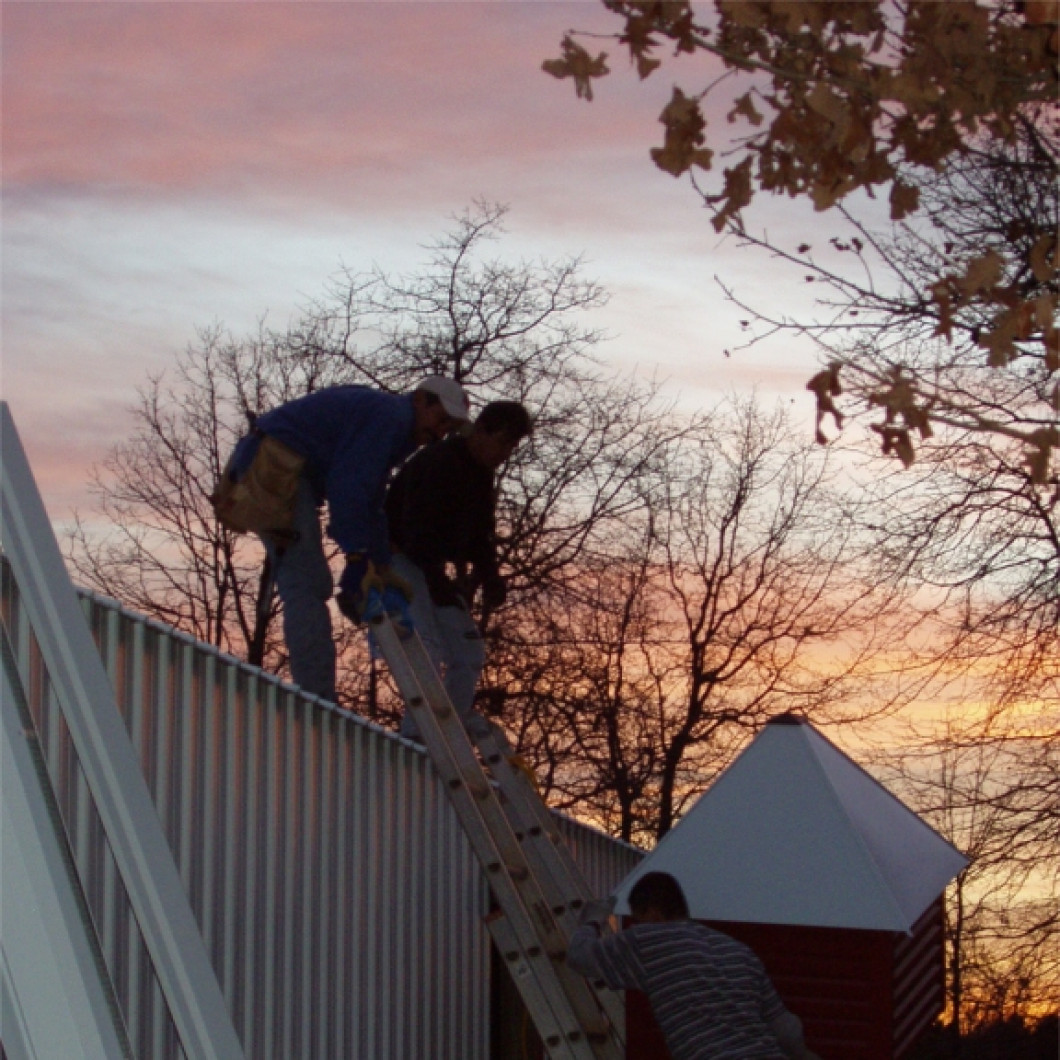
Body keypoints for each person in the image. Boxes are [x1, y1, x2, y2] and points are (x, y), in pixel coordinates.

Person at [214, 377, 470, 702]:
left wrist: (379, 561)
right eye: (441, 419)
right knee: (306, 583)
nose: (440, 432)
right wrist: (357, 557)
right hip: (275, 468)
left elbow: (370, 498)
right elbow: (348, 488)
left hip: (279, 464)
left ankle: (317, 693)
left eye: (449, 427)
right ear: (420, 400)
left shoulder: (391, 424)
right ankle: (318, 699)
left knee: (306, 581)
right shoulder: (389, 418)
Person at [384, 400, 532, 741]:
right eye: (503, 442)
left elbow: (481, 535)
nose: (506, 452)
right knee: (428, 647)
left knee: (468, 653)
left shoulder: (481, 476)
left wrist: (491, 576)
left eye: (513, 446)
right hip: (399, 559)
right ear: (481, 430)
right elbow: (414, 530)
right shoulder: (440, 462)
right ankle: (417, 736)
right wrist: (437, 582)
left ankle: (449, 730)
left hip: (431, 567)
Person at [568, 872, 822, 1060]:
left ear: (654, 912)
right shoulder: (737, 950)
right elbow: (786, 1030)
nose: (637, 925)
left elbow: (580, 957)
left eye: (639, 918)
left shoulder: (648, 941)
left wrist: (592, 921)